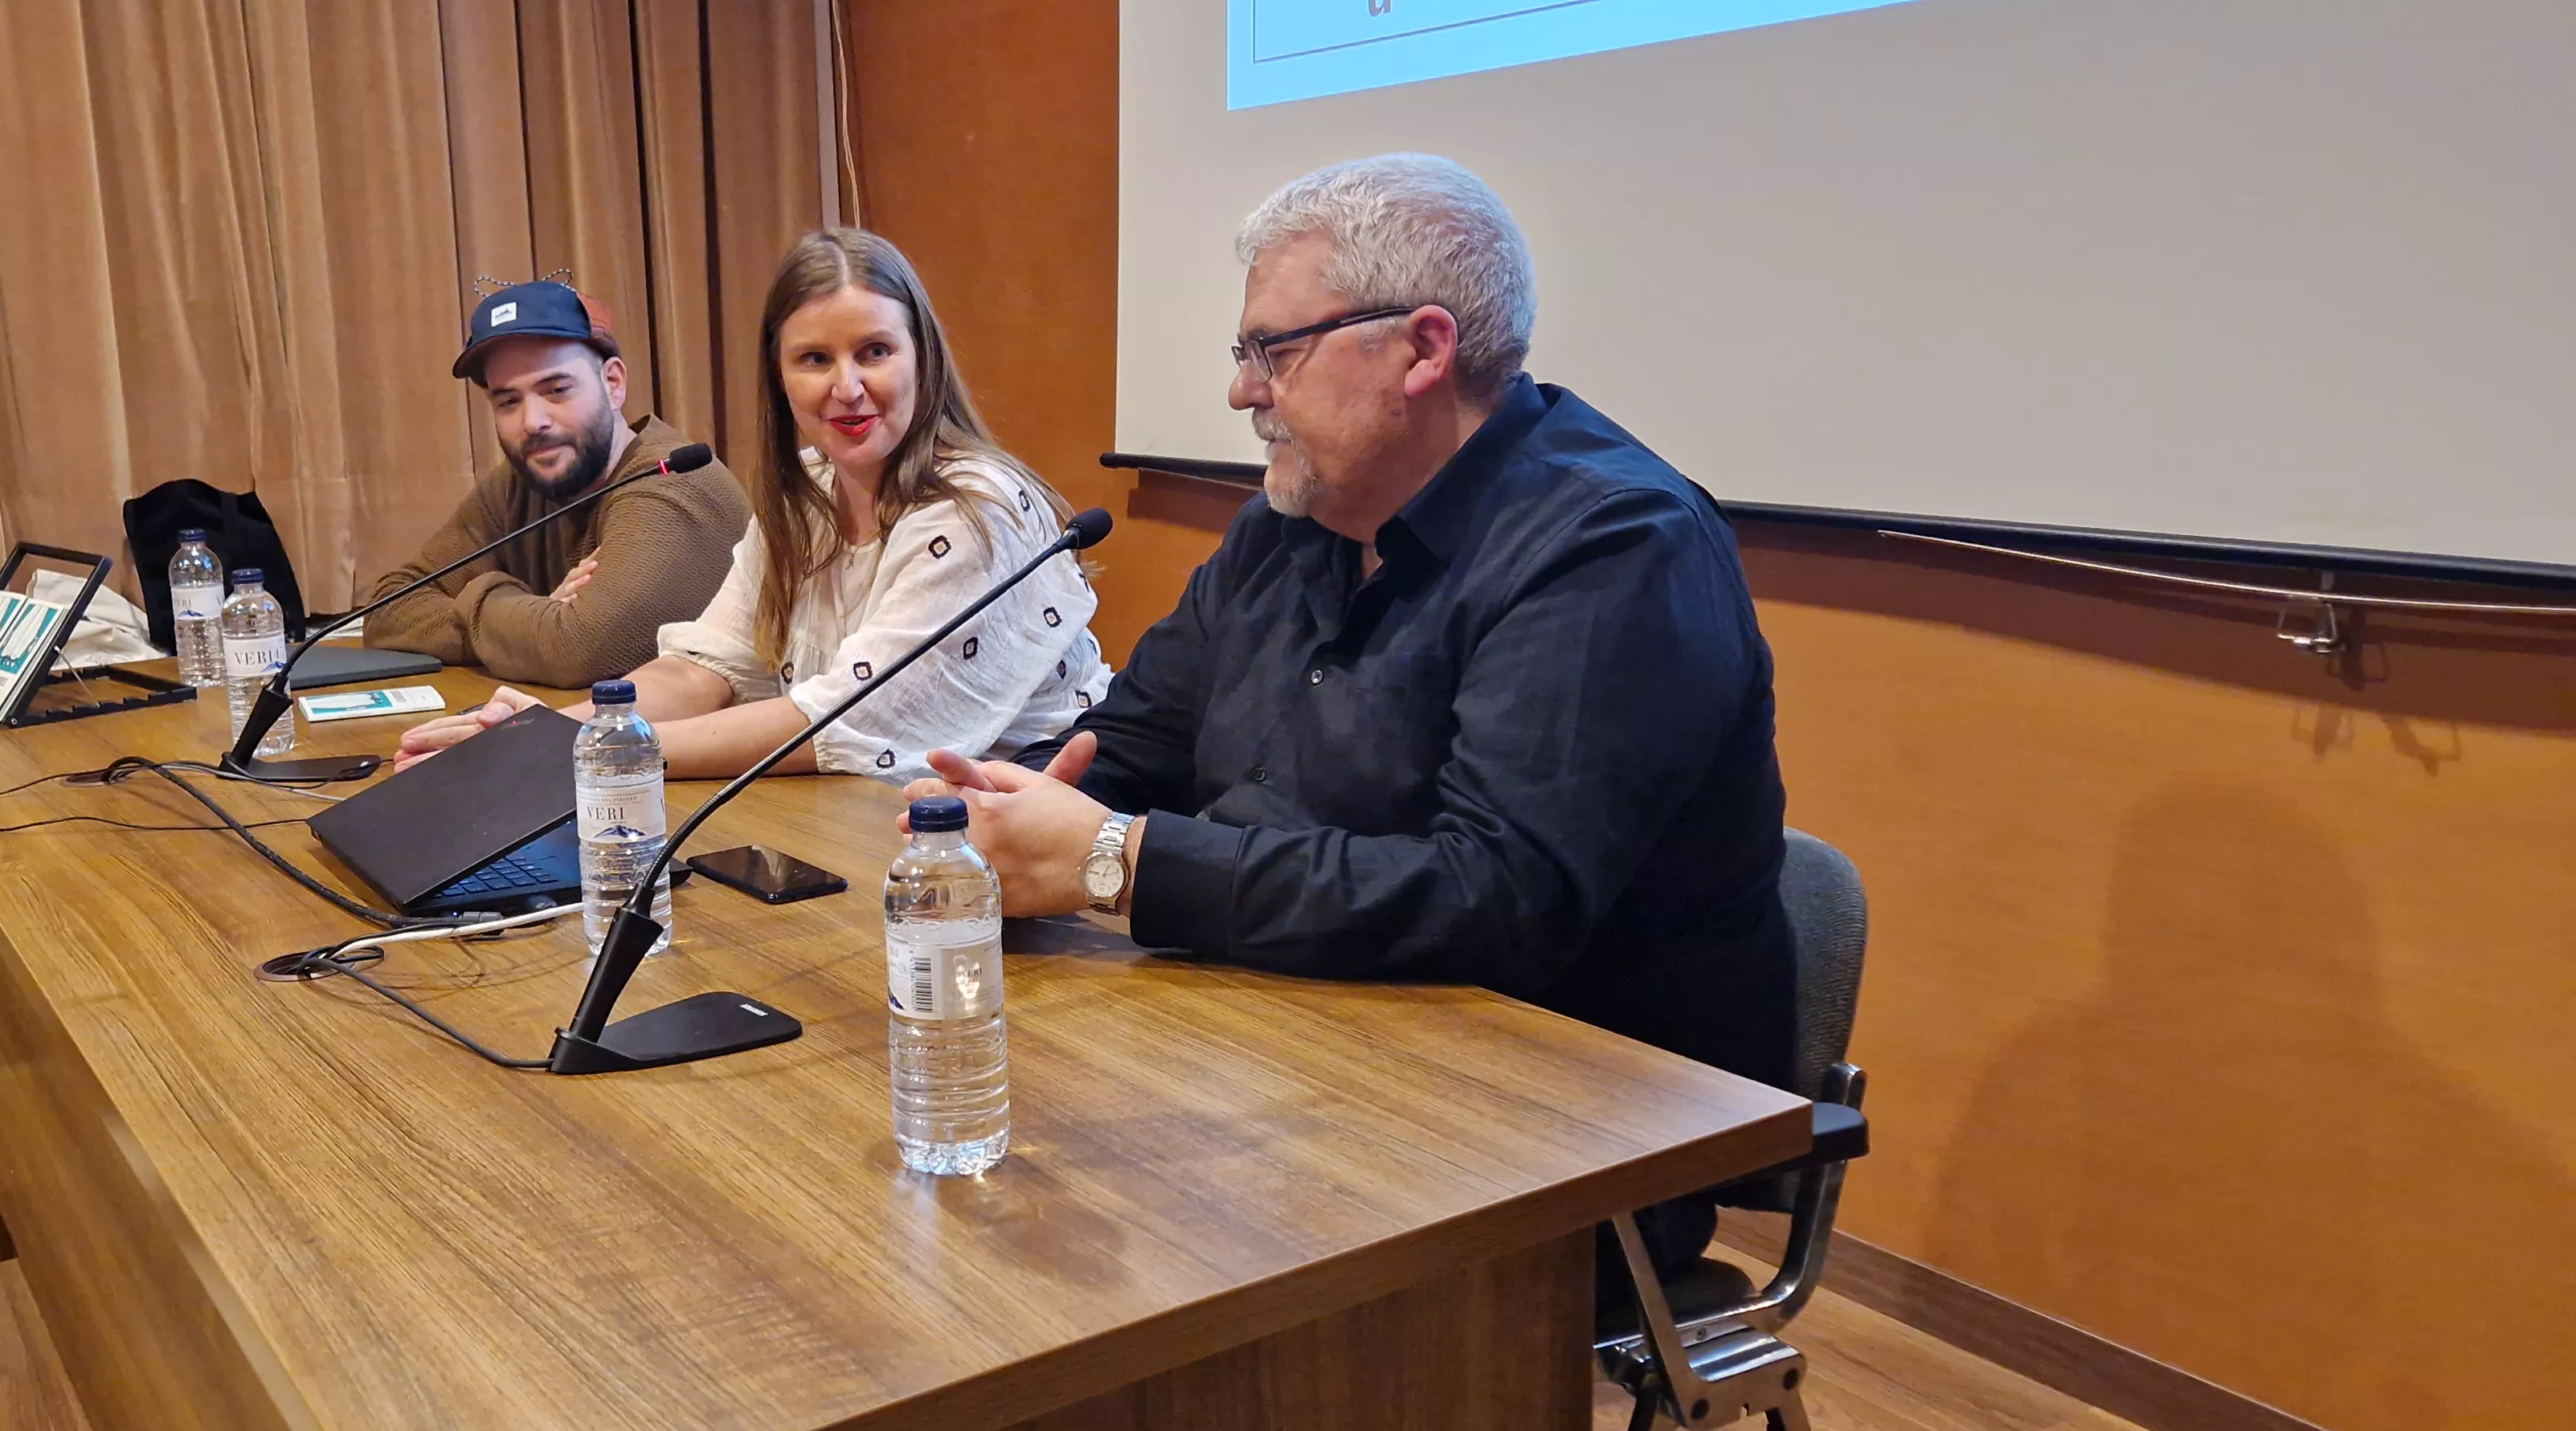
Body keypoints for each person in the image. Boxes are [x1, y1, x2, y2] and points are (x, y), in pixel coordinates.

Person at [906, 154, 1795, 1282]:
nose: (1243, 391)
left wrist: (1117, 867)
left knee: (1089, 1276)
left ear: (1423, 349)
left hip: (1555, 1137)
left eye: (1275, 349)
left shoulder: (1615, 548)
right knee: (980, 1215)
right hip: (1280, 1048)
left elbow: (1497, 897)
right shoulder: (1289, 525)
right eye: (1245, 353)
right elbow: (1131, 749)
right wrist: (1013, 808)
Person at [393, 230, 1112, 780]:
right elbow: (703, 668)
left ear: (921, 354)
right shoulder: (806, 498)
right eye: (814, 360)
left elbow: (845, 720)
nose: (847, 387)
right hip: (870, 813)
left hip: (1027, 812)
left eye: (874, 352)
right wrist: (543, 732)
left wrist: (581, 748)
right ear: (781, 379)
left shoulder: (975, 507)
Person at [358, 278, 748, 689]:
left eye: (557, 390)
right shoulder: (518, 485)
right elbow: (389, 607)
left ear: (613, 384)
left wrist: (494, 606)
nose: (532, 422)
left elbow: (580, 650)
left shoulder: (675, 480)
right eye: (509, 401)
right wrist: (534, 613)